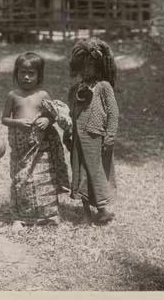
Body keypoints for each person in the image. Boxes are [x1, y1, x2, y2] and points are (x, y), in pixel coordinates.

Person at [1, 51, 70, 232]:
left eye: (31, 73)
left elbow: (53, 115)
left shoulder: (43, 95)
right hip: (21, 147)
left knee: (43, 179)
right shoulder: (13, 95)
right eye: (22, 72)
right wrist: (17, 122)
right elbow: (4, 119)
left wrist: (48, 120)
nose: (26, 77)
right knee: (21, 180)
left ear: (39, 75)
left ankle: (48, 215)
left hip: (42, 146)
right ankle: (20, 217)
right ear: (16, 73)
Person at [65, 38, 119, 225]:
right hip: (77, 138)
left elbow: (113, 113)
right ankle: (85, 212)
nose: (87, 70)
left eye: (92, 66)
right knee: (80, 172)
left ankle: (102, 208)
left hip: (96, 136)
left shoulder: (104, 87)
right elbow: (70, 113)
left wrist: (110, 135)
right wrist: (67, 132)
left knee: (95, 172)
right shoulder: (75, 89)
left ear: (100, 67)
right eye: (83, 66)